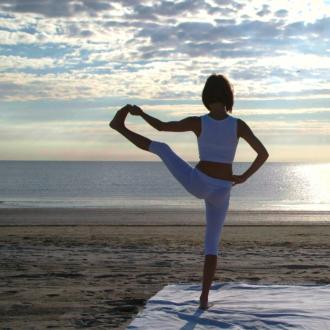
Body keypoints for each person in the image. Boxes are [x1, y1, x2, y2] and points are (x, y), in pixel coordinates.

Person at [109, 74, 269, 310]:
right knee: (211, 245)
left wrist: (141, 114)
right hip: (223, 190)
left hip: (200, 183)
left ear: (206, 96)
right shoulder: (238, 124)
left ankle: (119, 127)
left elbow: (162, 127)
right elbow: (263, 154)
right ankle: (204, 298)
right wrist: (244, 177)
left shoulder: (199, 122)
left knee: (162, 148)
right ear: (228, 96)